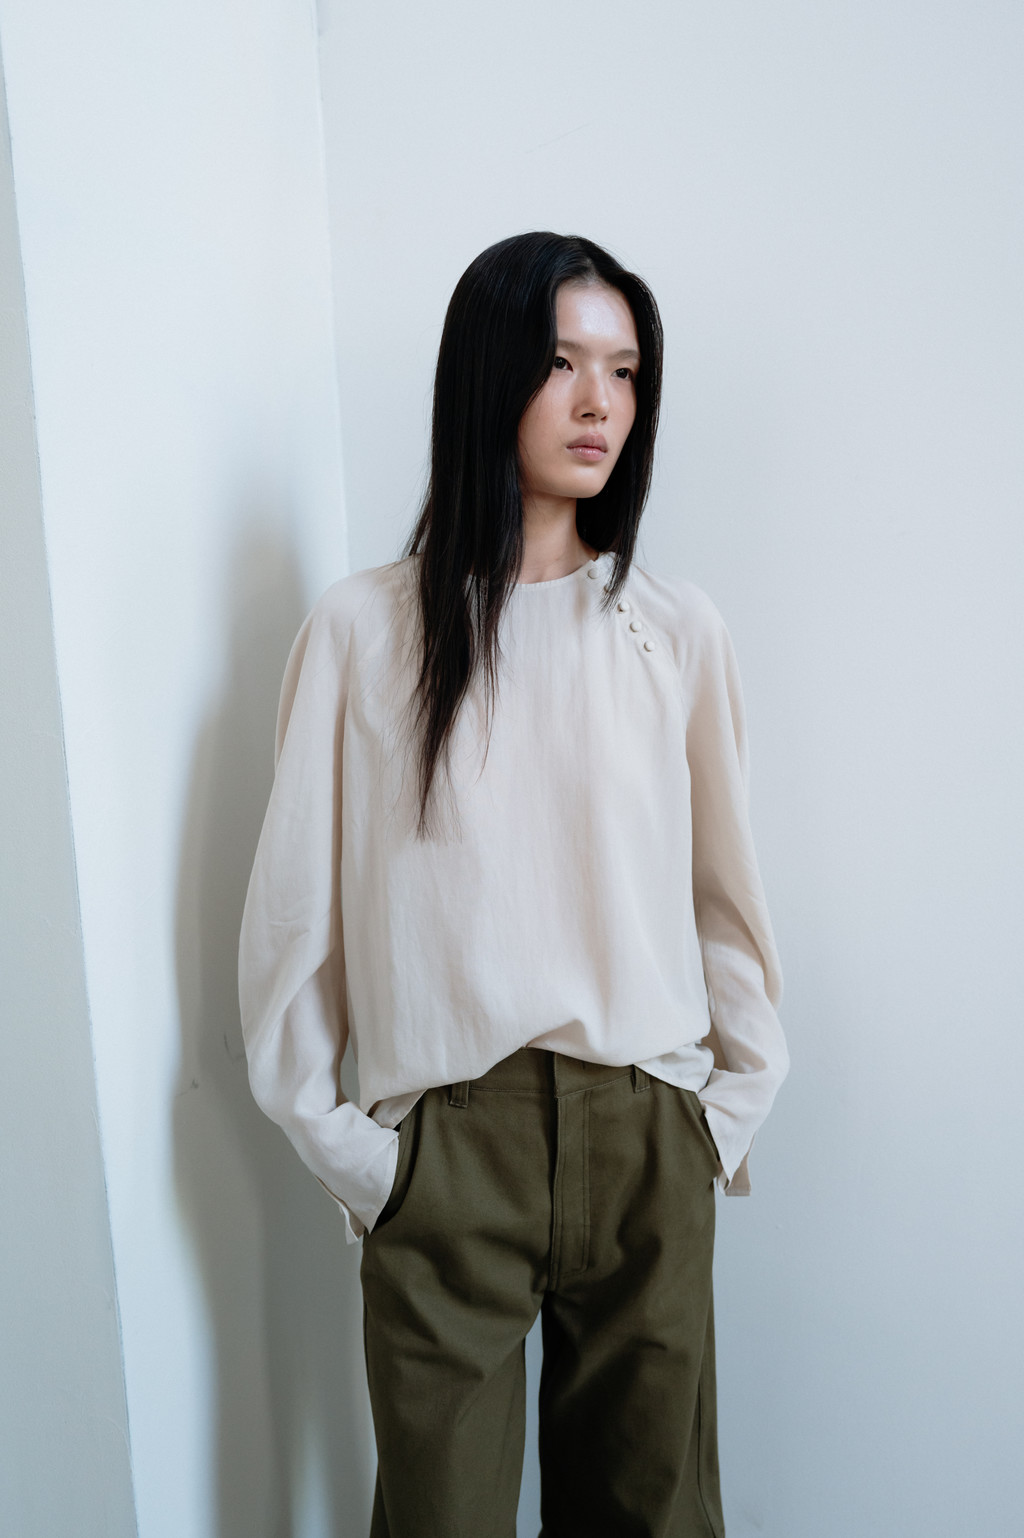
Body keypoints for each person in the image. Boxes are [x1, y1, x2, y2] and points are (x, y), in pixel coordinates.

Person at [237, 230, 789, 1538]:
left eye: (624, 370)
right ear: (489, 374)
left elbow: (726, 896)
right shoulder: (364, 631)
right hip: (447, 1156)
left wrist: (722, 1114)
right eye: (560, 363)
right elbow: (294, 923)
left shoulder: (673, 629)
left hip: (646, 1139)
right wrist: (361, 1160)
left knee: (654, 1517)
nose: (600, 402)